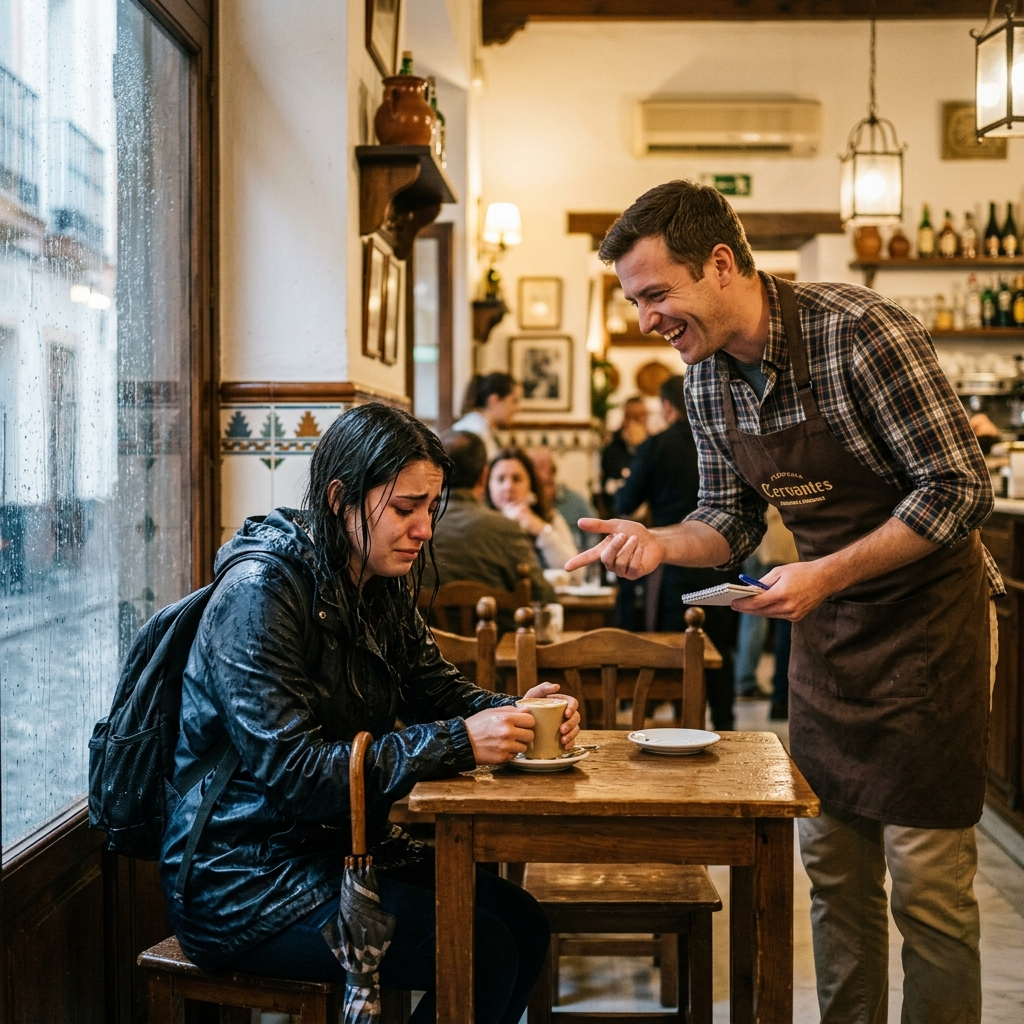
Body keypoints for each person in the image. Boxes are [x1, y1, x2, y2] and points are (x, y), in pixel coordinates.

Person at [568, 179, 1001, 1024]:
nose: (646, 319)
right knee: (835, 877)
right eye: (634, 299)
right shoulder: (706, 384)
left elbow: (959, 489)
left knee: (927, 886)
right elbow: (727, 520)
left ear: (722, 264)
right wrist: (661, 543)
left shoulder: (861, 334)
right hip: (830, 640)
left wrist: (826, 574)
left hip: (930, 633)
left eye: (657, 294)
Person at [160, 403, 580, 1024]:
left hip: (339, 853)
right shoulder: (260, 594)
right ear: (340, 498)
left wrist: (519, 712)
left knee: (523, 922)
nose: (424, 530)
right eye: (405, 509)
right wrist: (461, 742)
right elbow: (296, 775)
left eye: (430, 510)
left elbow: (438, 689)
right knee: (484, 947)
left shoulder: (373, 580)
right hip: (242, 880)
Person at [613, 374, 736, 731]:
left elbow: (626, 500)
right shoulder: (722, 439)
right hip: (721, 557)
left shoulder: (658, 445)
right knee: (719, 648)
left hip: (672, 560)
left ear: (667, 407)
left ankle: (677, 729)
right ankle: (724, 725)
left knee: (673, 651)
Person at [422, 430, 556, 633]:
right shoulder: (505, 528)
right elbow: (543, 596)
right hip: (497, 656)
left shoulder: (418, 525)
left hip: (425, 654)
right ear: (485, 476)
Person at [733, 503, 798, 720]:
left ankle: (745, 680)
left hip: (757, 540)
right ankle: (781, 694)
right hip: (781, 539)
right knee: (785, 617)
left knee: (752, 614)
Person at [486, 446, 578, 572]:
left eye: (516, 479)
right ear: (488, 485)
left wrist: (541, 530)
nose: (508, 487)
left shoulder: (551, 518)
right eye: (500, 479)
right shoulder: (480, 523)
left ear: (531, 484)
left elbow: (576, 572)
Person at [527, 445, 599, 553]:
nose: (533, 472)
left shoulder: (576, 501)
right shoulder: (525, 505)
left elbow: (594, 534)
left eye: (540, 466)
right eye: (530, 467)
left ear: (553, 470)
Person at [452, 372, 521, 460]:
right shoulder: (474, 432)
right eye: (514, 401)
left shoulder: (482, 428)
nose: (517, 408)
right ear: (494, 400)